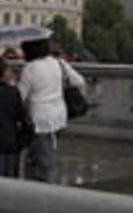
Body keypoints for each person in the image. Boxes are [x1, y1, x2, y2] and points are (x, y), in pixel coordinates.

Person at [16, 37, 85, 182]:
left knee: (44, 159)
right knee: (43, 153)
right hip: (59, 116)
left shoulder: (30, 68)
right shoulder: (59, 63)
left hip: (40, 119)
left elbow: (20, 96)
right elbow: (79, 81)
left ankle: (46, 189)